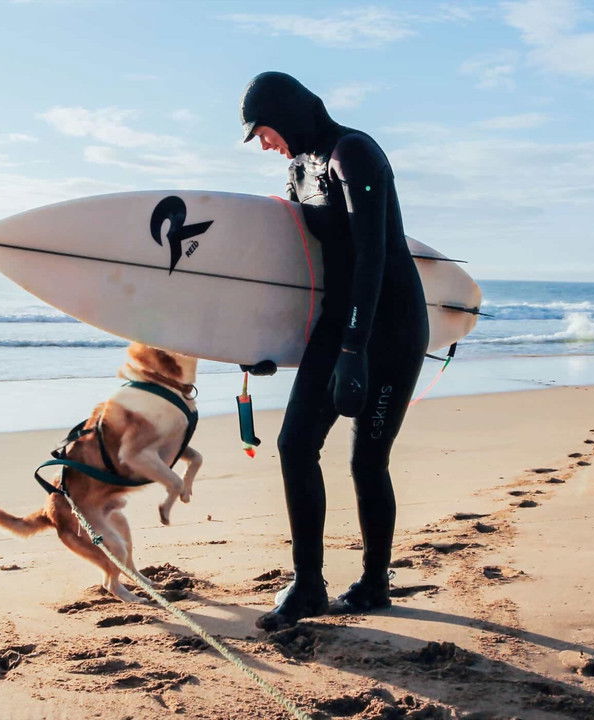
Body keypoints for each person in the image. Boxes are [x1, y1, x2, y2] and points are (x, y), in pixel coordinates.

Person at [239, 71, 429, 630]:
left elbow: (372, 257)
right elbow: (304, 268)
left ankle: (374, 584)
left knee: (366, 459)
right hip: (339, 324)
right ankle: (308, 585)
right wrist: (263, 341)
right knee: (295, 444)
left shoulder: (354, 154)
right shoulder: (300, 169)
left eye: (264, 132)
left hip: (388, 326)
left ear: (286, 115)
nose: (265, 145)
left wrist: (354, 347)